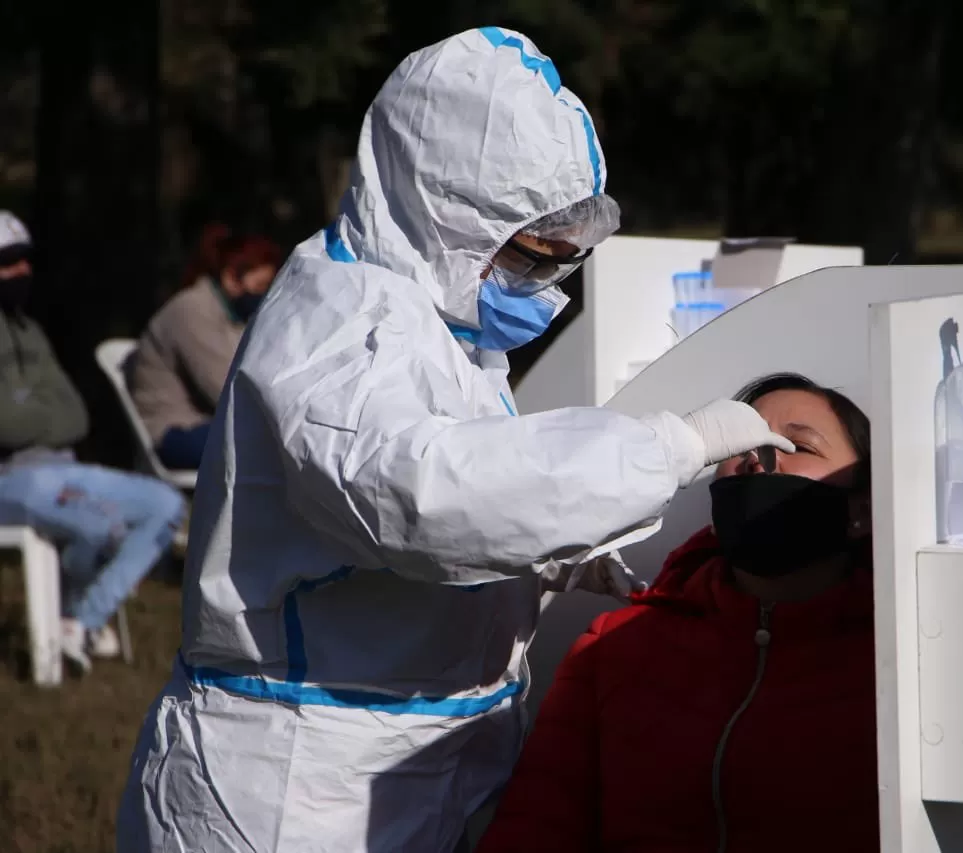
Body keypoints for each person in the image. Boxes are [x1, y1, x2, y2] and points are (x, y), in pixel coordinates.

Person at [117, 28, 792, 853]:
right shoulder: (337, 327)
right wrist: (672, 447)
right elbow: (424, 497)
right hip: (293, 785)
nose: (543, 284)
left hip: (414, 759)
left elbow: (432, 504)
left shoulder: (439, 316)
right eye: (530, 256)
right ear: (447, 212)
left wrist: (555, 558)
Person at [476, 373, 879, 853]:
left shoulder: (899, 659)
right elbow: (536, 825)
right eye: (745, 439)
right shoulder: (611, 649)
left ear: (862, 508)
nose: (760, 456)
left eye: (798, 445)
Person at [0, 211, 186, 671]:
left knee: (163, 504)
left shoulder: (31, 331)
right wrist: (39, 415)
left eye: (26, 260)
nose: (21, 271)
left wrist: (32, 415)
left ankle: (80, 621)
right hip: (11, 479)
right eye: (7, 262)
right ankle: (73, 622)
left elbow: (76, 415)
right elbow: (6, 427)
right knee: (101, 525)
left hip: (63, 467)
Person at [130, 224, 282, 470]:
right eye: (260, 287)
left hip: (213, 425)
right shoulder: (191, 311)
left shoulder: (232, 315)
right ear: (232, 277)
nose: (262, 296)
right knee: (273, 445)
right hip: (176, 432)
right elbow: (227, 390)